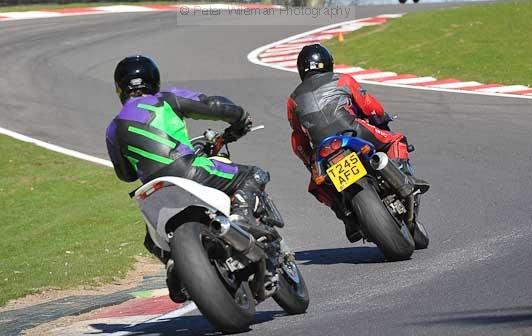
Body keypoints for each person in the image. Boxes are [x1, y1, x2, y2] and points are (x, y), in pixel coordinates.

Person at [106, 54, 269, 301]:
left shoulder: (113, 128)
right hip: (188, 169)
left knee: (152, 240)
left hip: (151, 191)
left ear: (120, 88)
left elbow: (126, 175)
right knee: (252, 174)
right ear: (153, 81)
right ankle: (242, 217)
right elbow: (212, 106)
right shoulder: (165, 100)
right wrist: (239, 117)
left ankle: (172, 261)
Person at [287, 44, 428, 241]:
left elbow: (298, 140)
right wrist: (381, 118)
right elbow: (370, 106)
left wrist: (309, 160)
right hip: (353, 132)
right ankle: (403, 178)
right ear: (328, 63)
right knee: (396, 139)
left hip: (324, 149)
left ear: (301, 69)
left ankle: (346, 215)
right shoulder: (342, 80)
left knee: (317, 185)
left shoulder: (292, 100)